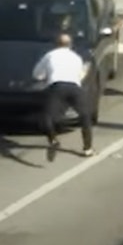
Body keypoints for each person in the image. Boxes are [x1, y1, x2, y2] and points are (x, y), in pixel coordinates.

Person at [33, 33, 94, 161]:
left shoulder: (49, 55)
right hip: (74, 87)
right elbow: (81, 75)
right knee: (85, 116)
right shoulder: (76, 57)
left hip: (57, 87)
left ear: (56, 44)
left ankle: (53, 139)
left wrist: (45, 78)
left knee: (47, 118)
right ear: (70, 45)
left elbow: (37, 74)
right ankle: (87, 148)